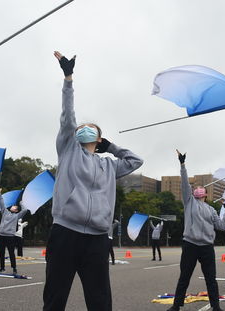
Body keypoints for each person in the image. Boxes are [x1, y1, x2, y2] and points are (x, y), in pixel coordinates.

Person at [43, 51, 144, 311]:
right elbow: (67, 116)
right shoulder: (68, 151)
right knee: (55, 298)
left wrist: (112, 147)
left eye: (92, 129)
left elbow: (136, 161)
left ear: (99, 139)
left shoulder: (109, 165)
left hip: (98, 239)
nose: (83, 128)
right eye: (81, 128)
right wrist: (68, 79)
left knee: (100, 301)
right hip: (65, 233)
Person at [167, 150, 225, 311]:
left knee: (211, 279)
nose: (199, 189)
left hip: (207, 248)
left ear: (206, 194)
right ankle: (176, 306)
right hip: (190, 245)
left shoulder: (211, 210)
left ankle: (216, 307)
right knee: (184, 277)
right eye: (197, 188)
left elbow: (222, 226)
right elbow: (184, 183)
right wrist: (182, 165)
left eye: (202, 189)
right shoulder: (189, 202)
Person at [0, 188, 29, 274]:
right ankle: (2, 267)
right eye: (12, 206)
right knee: (1, 253)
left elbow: (25, 210)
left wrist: (21, 202)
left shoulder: (17, 216)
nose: (12, 206)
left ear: (16, 210)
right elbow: (2, 203)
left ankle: (14, 268)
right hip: (1, 235)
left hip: (10, 236)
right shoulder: (5, 212)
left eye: (14, 206)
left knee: (11, 253)